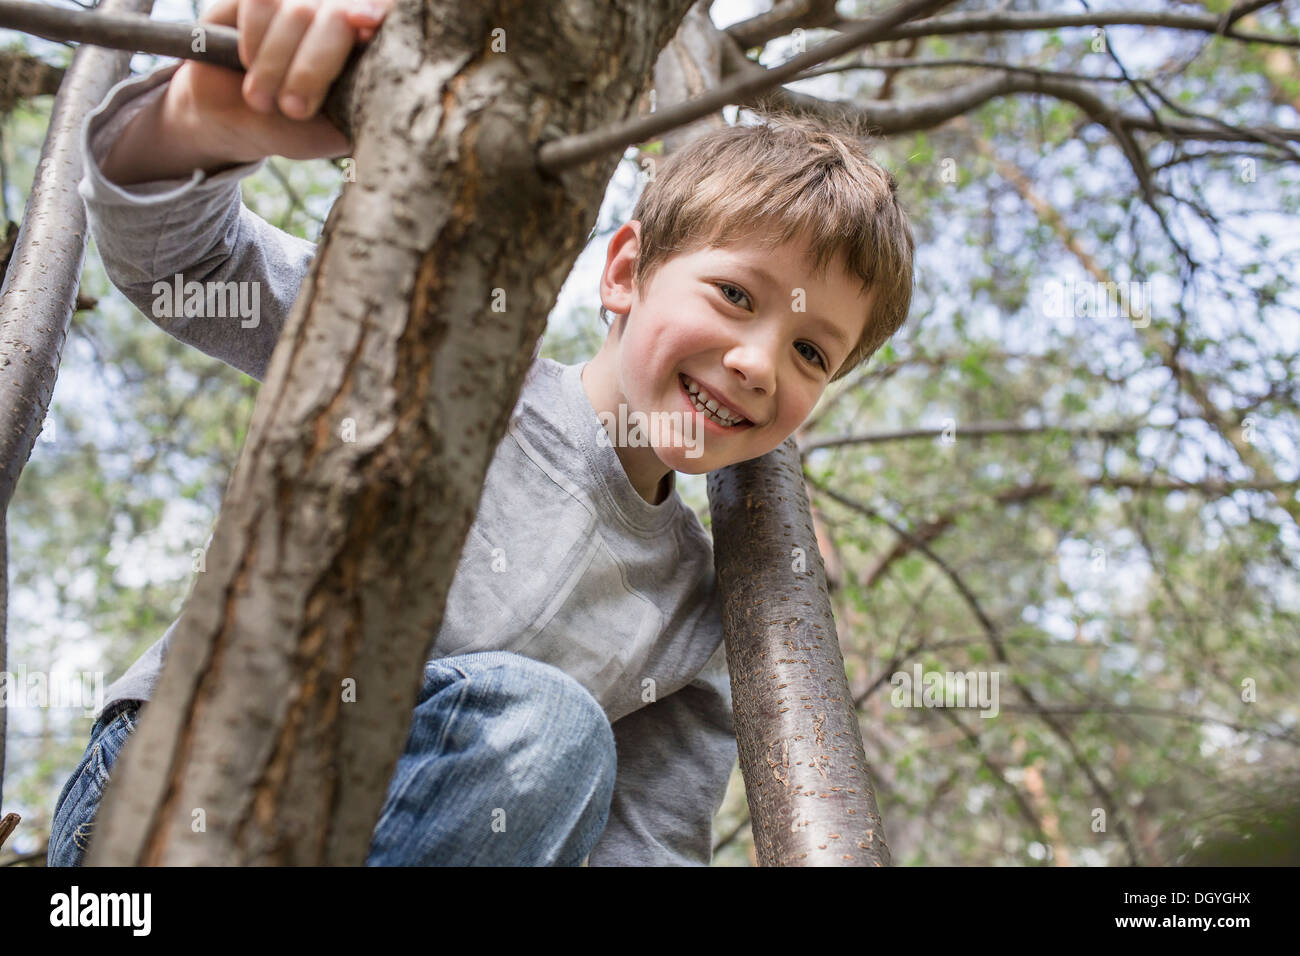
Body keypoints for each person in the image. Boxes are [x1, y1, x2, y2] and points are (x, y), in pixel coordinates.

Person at [47, 0, 915, 866]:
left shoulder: (695, 613)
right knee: (551, 726)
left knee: (557, 739)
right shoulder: (455, 354)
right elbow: (183, 264)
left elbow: (643, 846)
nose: (761, 363)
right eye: (735, 295)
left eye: (811, 351)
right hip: (175, 784)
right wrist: (204, 120)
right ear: (624, 273)